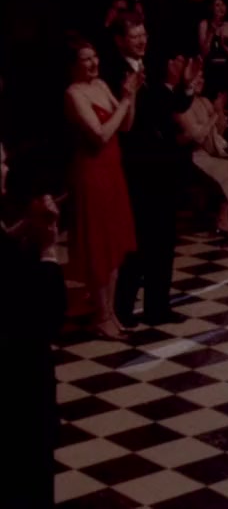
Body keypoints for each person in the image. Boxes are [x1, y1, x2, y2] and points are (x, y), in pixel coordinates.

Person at [99, 15, 197, 328]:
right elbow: (136, 117)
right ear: (119, 40)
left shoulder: (151, 66)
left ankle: (158, 307)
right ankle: (123, 308)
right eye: (134, 36)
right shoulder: (111, 72)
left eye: (144, 34)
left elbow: (167, 107)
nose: (142, 41)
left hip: (162, 165)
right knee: (137, 239)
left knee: (163, 238)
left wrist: (185, 87)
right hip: (136, 164)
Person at [65, 38, 139, 338]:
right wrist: (124, 102)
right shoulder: (73, 93)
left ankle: (109, 312)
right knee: (98, 245)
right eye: (86, 58)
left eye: (94, 56)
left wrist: (130, 96)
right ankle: (101, 314)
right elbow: (100, 135)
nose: (93, 63)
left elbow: (126, 126)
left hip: (112, 171)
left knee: (114, 243)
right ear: (73, 64)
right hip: (92, 173)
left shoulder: (101, 85)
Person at [1, 190, 67, 509]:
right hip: (20, 383)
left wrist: (25, 227)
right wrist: (48, 251)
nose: (5, 168)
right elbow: (48, 314)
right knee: (28, 478)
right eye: (0, 165)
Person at [176, 75, 228, 236]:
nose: (201, 81)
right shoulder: (182, 104)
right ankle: (222, 217)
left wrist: (219, 110)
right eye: (197, 78)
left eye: (202, 78)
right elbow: (197, 136)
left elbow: (220, 131)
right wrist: (213, 117)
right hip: (193, 154)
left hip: (209, 151)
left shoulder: (203, 101)